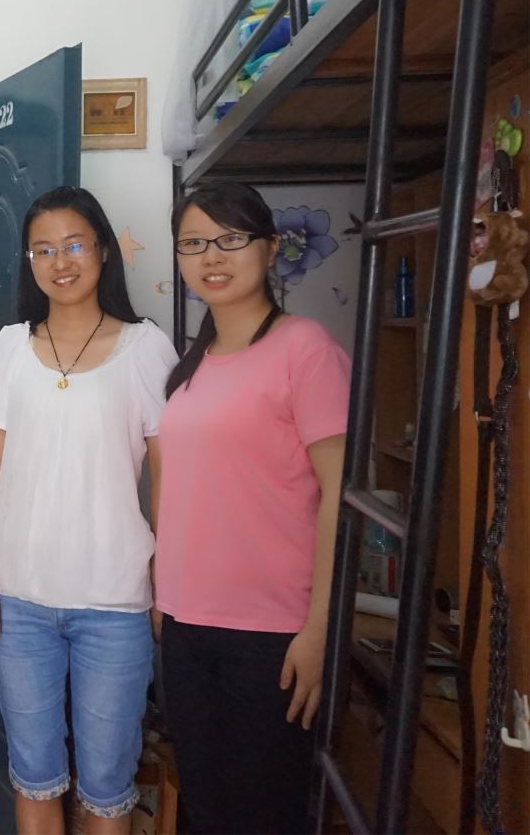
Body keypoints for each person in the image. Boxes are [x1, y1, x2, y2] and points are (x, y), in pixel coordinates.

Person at [0, 185, 176, 835]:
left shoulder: (146, 347)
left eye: (75, 244)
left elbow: (170, 478)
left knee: (108, 784)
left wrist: (168, 580)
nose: (60, 261)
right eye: (43, 249)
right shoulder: (8, 347)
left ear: (104, 250)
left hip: (114, 602)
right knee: (33, 773)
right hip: (19, 600)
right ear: (29, 261)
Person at [154, 182, 349, 834]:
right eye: (193, 243)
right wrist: (162, 595)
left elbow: (341, 496)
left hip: (272, 633)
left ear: (268, 249)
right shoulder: (194, 363)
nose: (212, 256)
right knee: (207, 806)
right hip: (187, 624)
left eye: (231, 239)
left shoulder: (305, 349)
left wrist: (319, 628)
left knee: (264, 812)